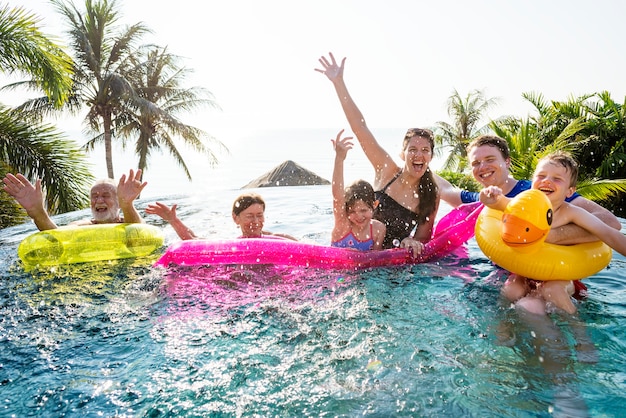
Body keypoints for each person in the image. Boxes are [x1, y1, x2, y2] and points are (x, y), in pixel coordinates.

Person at [316, 52, 439, 254]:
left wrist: (411, 242)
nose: (419, 155)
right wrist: (339, 83)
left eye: (425, 150)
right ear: (403, 154)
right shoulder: (387, 169)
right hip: (356, 249)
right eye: (413, 150)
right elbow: (360, 128)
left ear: (431, 156)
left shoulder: (431, 194)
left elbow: (423, 239)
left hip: (391, 262)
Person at [480, 151, 626, 314]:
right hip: (524, 270)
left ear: (569, 191)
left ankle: (579, 333)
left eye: (556, 179)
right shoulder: (524, 205)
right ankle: (504, 332)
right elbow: (500, 203)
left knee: (552, 290)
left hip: (561, 276)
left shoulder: (572, 212)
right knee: (512, 289)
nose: (547, 181)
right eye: (541, 175)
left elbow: (608, 233)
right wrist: (489, 196)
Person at [436, 135, 622, 244]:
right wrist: (412, 164)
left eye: (490, 159)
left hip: (550, 272)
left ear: (507, 161)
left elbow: (610, 222)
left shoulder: (538, 190)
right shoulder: (481, 202)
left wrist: (551, 235)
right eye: (476, 163)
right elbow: (445, 189)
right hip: (508, 276)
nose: (482, 167)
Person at [2, 169, 147, 231]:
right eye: (94, 196)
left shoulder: (129, 220)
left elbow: (139, 233)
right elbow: (57, 235)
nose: (99, 200)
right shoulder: (82, 225)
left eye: (106, 195)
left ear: (118, 202)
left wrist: (127, 205)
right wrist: (37, 212)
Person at [146, 193, 297, 241]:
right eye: (249, 216)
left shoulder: (281, 239)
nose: (256, 222)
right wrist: (174, 220)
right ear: (235, 218)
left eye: (259, 215)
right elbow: (195, 242)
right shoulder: (231, 245)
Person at [331, 130, 386, 250]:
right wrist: (339, 158)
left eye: (363, 210)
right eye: (352, 212)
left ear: (374, 204)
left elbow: (376, 259)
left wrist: (359, 257)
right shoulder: (343, 224)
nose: (358, 216)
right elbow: (337, 197)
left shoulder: (378, 229)